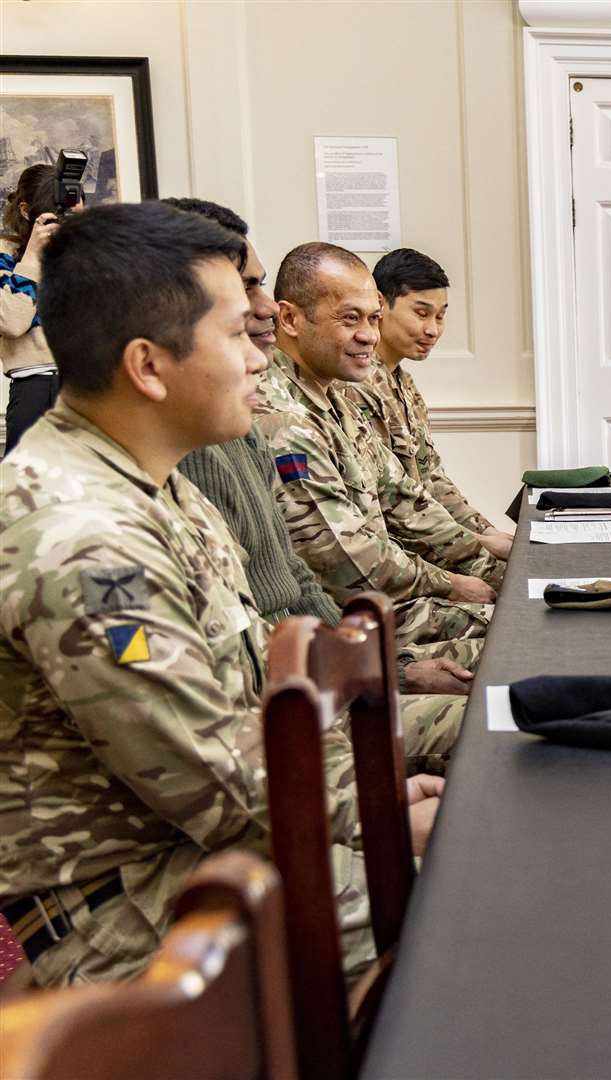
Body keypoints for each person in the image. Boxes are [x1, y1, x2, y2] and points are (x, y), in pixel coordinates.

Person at [0, 201, 440, 987]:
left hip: (214, 846)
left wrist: (391, 790)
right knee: (466, 912)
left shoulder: (158, 484)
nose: (263, 356)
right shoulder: (83, 538)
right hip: (136, 908)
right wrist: (389, 803)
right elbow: (213, 780)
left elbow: (244, 704)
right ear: (148, 366)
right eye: (237, 333)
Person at [159, 200, 473, 772]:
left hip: (330, 656)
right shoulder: (230, 433)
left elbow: (297, 579)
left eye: (371, 319)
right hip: (311, 688)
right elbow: (211, 729)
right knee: (500, 712)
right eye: (243, 302)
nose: (263, 322)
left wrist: (393, 667)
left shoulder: (238, 428)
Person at [255, 243, 505, 627]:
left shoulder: (335, 395)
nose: (368, 335)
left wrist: (484, 550)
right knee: (510, 632)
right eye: (350, 319)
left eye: (373, 319)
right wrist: (452, 583)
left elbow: (405, 497)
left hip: (386, 592)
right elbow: (341, 555)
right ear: (289, 319)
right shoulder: (283, 418)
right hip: (347, 618)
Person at [347, 247, 511, 551]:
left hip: (435, 539)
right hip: (399, 550)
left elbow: (432, 478)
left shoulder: (405, 384)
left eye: (440, 316)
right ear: (380, 305)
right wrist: (480, 546)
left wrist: (488, 532)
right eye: (421, 313)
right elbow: (393, 503)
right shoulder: (355, 385)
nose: (433, 330)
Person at [1, 164, 64, 454]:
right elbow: (12, 322)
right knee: (26, 494)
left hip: (86, 386)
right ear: (27, 211)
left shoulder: (81, 252)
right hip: (33, 386)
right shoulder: (4, 257)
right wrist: (32, 257)